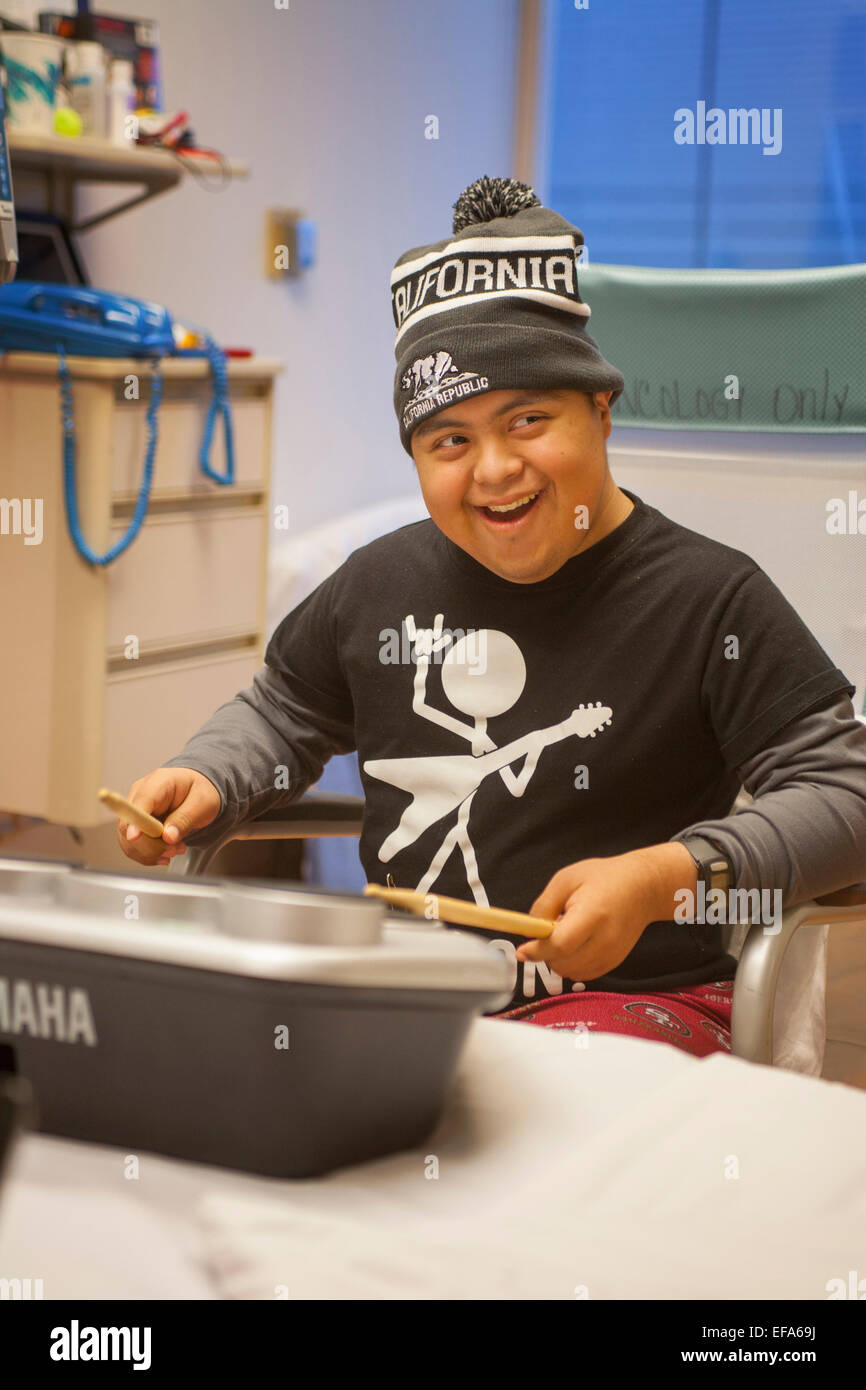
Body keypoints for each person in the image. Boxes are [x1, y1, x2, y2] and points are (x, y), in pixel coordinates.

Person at [116, 176, 866, 1061]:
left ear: (601, 410)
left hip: (632, 1007)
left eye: (530, 419)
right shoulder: (377, 584)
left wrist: (671, 876)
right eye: (450, 441)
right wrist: (210, 773)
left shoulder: (711, 600)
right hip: (404, 995)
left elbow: (845, 796)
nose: (496, 468)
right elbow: (285, 710)